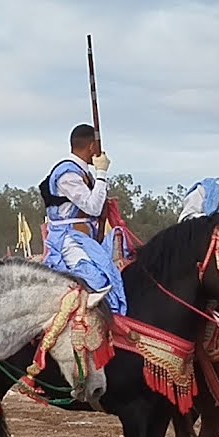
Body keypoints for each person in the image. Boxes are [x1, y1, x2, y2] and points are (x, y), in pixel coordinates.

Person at [38, 123, 127, 315]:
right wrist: (101, 174)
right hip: (68, 241)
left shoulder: (82, 172)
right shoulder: (68, 173)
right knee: (98, 282)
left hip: (86, 241)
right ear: (92, 147)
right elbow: (92, 207)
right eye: (98, 146)